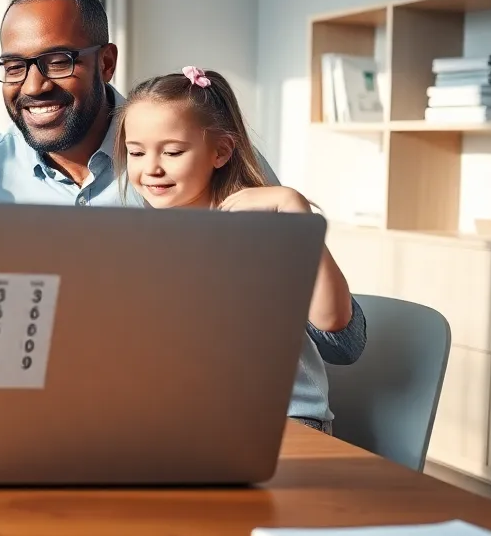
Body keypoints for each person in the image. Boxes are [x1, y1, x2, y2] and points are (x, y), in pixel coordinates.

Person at [113, 66, 365, 433]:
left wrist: (296, 210)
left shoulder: (262, 226)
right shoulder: (139, 236)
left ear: (221, 151)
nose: (151, 168)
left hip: (284, 418)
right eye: (136, 153)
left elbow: (334, 323)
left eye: (172, 151)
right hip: (189, 418)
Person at [0, 0, 280, 206]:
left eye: (59, 62)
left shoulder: (200, 146)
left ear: (106, 63)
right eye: (14, 67)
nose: (34, 87)